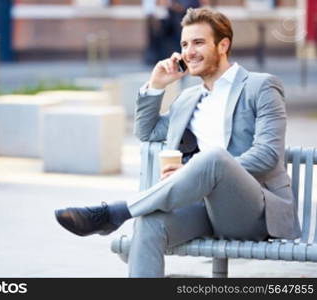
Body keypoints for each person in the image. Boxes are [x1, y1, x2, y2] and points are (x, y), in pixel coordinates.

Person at [55, 7, 301, 277]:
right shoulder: (187, 99)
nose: (189, 51)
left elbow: (267, 155)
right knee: (149, 224)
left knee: (214, 158)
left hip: (254, 213)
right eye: (184, 44)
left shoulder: (261, 86)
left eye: (198, 42)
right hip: (204, 211)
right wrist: (156, 85)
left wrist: (193, 168)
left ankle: (117, 212)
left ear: (223, 45)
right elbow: (147, 132)